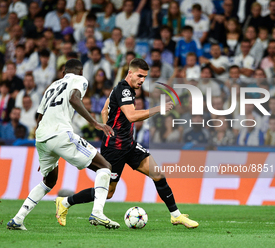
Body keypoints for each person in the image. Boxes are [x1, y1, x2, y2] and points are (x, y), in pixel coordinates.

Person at [55, 58, 199, 229]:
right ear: (130, 73)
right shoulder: (124, 90)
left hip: (128, 144)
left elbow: (104, 110)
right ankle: (65, 202)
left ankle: (176, 216)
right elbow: (131, 116)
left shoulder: (122, 89)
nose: (142, 80)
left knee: (158, 174)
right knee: (107, 192)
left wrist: (107, 127)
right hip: (114, 149)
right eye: (140, 76)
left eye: (145, 77)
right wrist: (157, 109)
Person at [7, 59, 120, 230]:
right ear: (80, 71)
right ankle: (97, 212)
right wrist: (95, 123)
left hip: (42, 137)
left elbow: (40, 116)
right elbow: (74, 98)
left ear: (63, 72)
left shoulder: (51, 87)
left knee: (48, 181)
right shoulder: (80, 80)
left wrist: (43, 149)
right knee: (105, 166)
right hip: (60, 134)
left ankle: (18, 219)